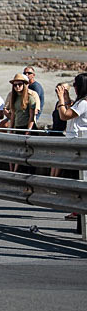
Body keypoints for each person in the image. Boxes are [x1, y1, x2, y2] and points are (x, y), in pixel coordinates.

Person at [55, 73, 87, 226]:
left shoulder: (84, 103)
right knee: (76, 180)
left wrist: (61, 99)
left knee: (78, 180)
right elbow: (73, 112)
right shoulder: (81, 102)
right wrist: (67, 99)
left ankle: (79, 211)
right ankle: (78, 210)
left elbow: (64, 115)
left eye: (75, 85)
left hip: (79, 147)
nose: (74, 87)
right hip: (75, 145)